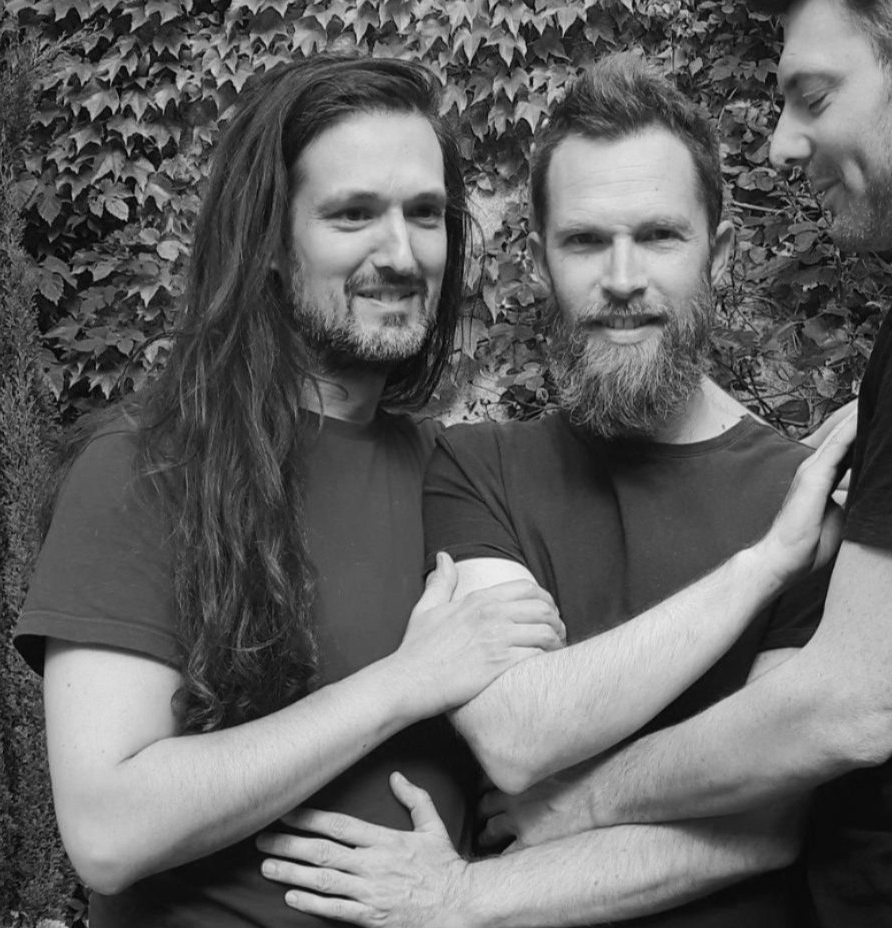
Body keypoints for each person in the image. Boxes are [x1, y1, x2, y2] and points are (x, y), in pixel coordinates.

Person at [406, 1, 892, 925]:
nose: (782, 142)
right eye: (583, 239)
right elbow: (516, 732)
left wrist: (580, 806)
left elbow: (843, 711)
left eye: (814, 96)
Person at [254, 54, 855, 928]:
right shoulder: (474, 467)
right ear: (540, 263)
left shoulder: (803, 499)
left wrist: (488, 877)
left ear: (719, 256)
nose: (622, 278)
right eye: (584, 241)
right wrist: (761, 569)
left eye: (660, 236)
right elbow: (517, 735)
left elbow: (767, 822)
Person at [12, 55, 564, 928]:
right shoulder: (144, 467)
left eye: (425, 214)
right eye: (353, 214)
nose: (401, 253)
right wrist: (406, 682)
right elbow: (107, 831)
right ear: (269, 242)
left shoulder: (454, 476)